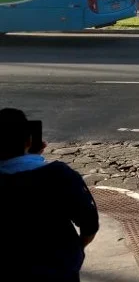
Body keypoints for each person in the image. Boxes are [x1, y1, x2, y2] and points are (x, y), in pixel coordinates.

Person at [0, 108, 99, 281]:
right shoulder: (59, 175)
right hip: (57, 271)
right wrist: (77, 250)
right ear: (29, 140)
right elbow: (89, 224)